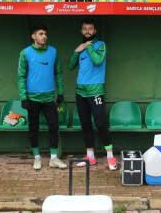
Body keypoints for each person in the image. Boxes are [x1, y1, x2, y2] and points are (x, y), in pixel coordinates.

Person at [67, 19, 116, 171]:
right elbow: (70, 66)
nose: (87, 31)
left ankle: (110, 156)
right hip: (80, 92)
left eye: (90, 29)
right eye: (84, 29)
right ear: (81, 31)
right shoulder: (81, 47)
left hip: (96, 91)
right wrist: (77, 50)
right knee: (85, 124)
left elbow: (97, 60)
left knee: (101, 123)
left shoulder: (100, 45)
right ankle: (90, 157)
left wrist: (88, 47)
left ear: (94, 31)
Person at [18, 24, 67, 171]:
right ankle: (37, 158)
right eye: (40, 34)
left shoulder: (53, 52)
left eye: (45, 33)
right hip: (32, 98)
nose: (44, 36)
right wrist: (23, 96)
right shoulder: (25, 53)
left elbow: (58, 73)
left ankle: (53, 158)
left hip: (49, 98)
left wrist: (61, 93)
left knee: (54, 126)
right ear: (33, 36)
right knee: (34, 128)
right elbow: (21, 76)